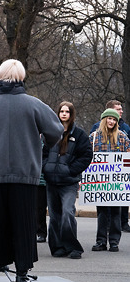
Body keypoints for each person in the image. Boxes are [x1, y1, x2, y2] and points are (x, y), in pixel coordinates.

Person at [0, 59, 63, 282]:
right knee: (23, 225)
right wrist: (41, 143)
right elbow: (57, 131)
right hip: (24, 175)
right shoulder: (33, 104)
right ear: (21, 77)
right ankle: (21, 276)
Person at [42, 102, 92, 259]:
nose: (64, 114)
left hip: (68, 182)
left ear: (71, 114)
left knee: (67, 214)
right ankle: (57, 247)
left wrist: (71, 170)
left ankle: (73, 247)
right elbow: (41, 152)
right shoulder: (50, 133)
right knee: (55, 216)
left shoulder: (79, 134)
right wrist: (45, 167)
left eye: (67, 111)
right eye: (61, 111)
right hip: (51, 181)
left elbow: (86, 155)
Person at [89, 108, 130, 253]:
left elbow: (128, 159)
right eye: (109, 118)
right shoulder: (94, 137)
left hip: (117, 182)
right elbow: (88, 158)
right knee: (101, 212)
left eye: (114, 119)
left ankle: (114, 241)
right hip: (99, 181)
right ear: (103, 119)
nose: (111, 121)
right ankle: (100, 241)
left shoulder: (123, 138)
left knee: (115, 212)